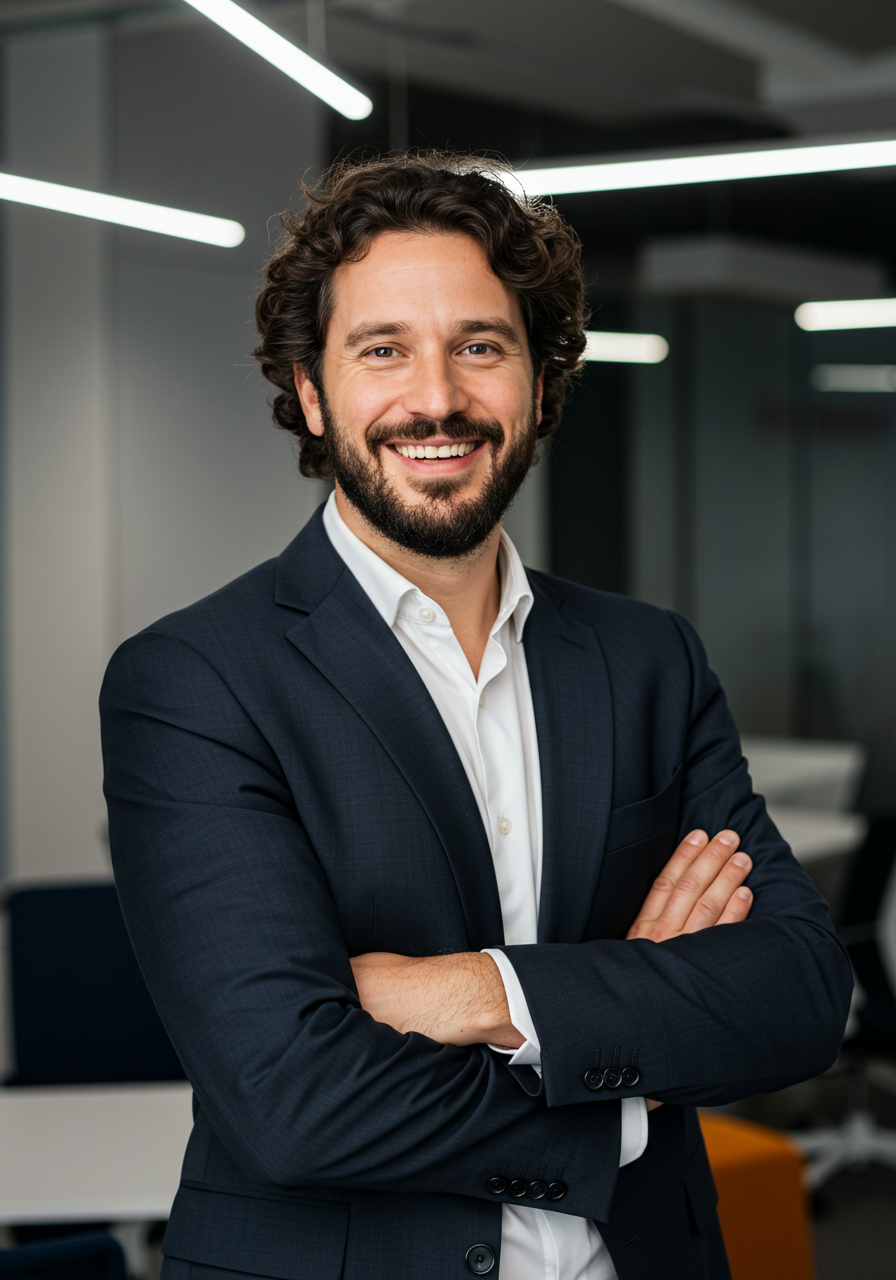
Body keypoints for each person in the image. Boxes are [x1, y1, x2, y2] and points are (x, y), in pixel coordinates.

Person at [100, 152, 851, 1280]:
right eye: (382, 348)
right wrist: (627, 1059)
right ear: (310, 390)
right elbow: (291, 1100)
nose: (437, 396)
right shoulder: (195, 680)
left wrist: (473, 991)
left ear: (539, 384)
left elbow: (796, 993)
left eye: (480, 346)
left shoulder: (648, 658)